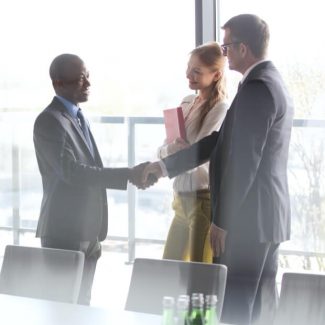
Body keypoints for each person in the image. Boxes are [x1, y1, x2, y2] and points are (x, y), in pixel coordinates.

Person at [142, 14, 294, 325]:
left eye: (225, 48)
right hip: (266, 217)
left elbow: (244, 161)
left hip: (250, 219)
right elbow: (219, 142)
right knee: (259, 309)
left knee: (237, 309)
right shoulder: (268, 81)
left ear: (243, 48)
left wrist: (222, 220)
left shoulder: (258, 87)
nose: (224, 54)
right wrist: (163, 166)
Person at [33, 53, 150, 305]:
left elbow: (89, 167)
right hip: (64, 231)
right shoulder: (49, 121)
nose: (87, 83)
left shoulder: (78, 116)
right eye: (80, 79)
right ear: (58, 83)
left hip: (89, 230)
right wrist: (128, 174)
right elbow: (72, 172)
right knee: (61, 307)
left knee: (83, 303)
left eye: (88, 76)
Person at [157, 42, 228, 263]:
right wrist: (173, 150)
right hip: (180, 200)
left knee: (198, 278)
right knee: (167, 269)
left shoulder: (220, 108)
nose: (189, 75)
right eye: (189, 68)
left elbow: (199, 154)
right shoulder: (187, 102)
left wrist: (176, 153)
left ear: (216, 75)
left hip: (202, 202)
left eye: (197, 71)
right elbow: (163, 150)